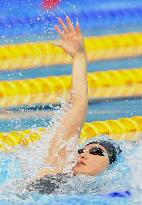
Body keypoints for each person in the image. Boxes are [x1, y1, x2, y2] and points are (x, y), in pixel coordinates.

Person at [27, 16, 121, 194]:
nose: (83, 154)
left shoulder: (107, 190)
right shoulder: (57, 167)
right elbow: (77, 105)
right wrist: (79, 57)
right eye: (81, 150)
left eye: (96, 151)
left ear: (110, 165)